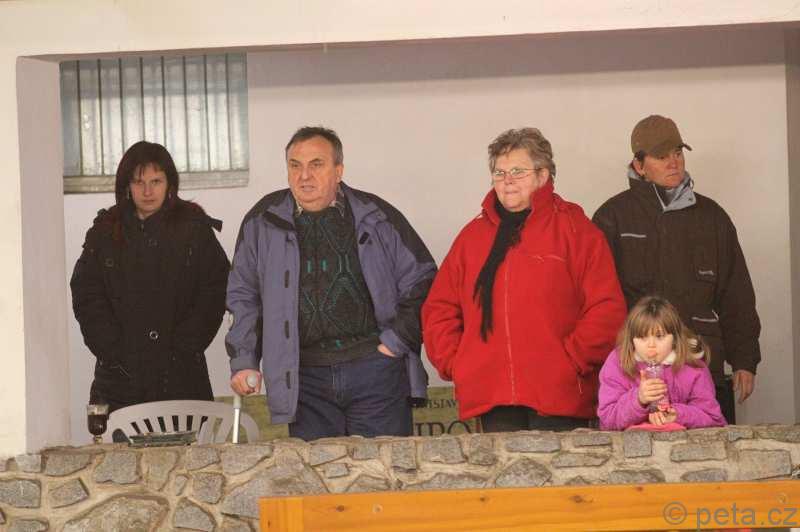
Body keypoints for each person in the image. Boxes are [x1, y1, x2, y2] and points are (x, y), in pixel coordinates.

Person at [225, 126, 436, 441]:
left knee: (382, 469)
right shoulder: (262, 221)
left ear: (339, 170)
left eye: (316, 165)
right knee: (318, 471)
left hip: (375, 371)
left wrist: (394, 343)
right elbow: (243, 295)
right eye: (295, 165)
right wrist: (244, 360)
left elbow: (424, 280)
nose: (304, 176)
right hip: (304, 379)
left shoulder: (376, 216)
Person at [422, 127, 626, 432]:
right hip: (491, 397)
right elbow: (439, 308)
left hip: (559, 396)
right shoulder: (471, 237)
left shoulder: (576, 230)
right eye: (499, 172)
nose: (507, 180)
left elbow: (607, 308)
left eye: (518, 171)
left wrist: (571, 360)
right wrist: (458, 362)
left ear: (543, 175)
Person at [592, 115, 761, 423]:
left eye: (678, 153)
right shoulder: (612, 218)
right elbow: (598, 302)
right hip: (634, 379)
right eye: (661, 156)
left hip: (702, 368)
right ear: (639, 165)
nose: (674, 162)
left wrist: (744, 359)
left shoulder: (712, 217)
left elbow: (736, 293)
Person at [71, 141, 230, 413]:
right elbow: (86, 294)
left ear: (170, 183)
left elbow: (216, 290)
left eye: (156, 181)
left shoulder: (194, 229)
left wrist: (184, 346)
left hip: (182, 377)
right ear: (127, 186)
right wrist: (113, 350)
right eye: (139, 182)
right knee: (117, 442)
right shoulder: (105, 231)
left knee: (185, 442)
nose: (147, 191)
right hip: (119, 380)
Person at [597, 296, 726, 430]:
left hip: (683, 442)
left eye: (659, 336)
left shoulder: (693, 366)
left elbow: (713, 418)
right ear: (631, 339)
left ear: (675, 337)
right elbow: (607, 420)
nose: (651, 345)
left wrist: (677, 414)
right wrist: (638, 399)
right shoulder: (618, 363)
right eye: (642, 337)